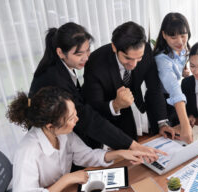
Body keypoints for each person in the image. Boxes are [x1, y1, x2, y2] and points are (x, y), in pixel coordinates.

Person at [28, 22, 161, 158]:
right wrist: (132, 145)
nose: (86, 58)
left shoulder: (62, 66)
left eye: (87, 50)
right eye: (79, 53)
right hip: (51, 141)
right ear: (60, 52)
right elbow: (86, 116)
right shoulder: (55, 78)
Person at [7, 87, 153, 191]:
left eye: (75, 113)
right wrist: (67, 179)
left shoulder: (62, 133)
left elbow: (86, 155)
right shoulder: (27, 151)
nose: (77, 119)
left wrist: (120, 153)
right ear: (51, 126)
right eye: (71, 118)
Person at [82, 21, 176, 142]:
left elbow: (154, 88)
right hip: (102, 108)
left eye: (139, 58)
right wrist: (115, 105)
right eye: (127, 58)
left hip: (125, 105)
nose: (133, 64)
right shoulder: (95, 62)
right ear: (114, 47)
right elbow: (94, 106)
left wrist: (162, 123)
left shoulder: (146, 50)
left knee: (132, 142)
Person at [153, 12, 193, 143]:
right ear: (164, 35)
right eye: (173, 37)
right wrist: (186, 127)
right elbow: (174, 88)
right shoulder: (161, 59)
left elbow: (176, 70)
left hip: (176, 101)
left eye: (183, 35)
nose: (180, 41)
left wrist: (182, 73)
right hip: (162, 102)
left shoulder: (183, 51)